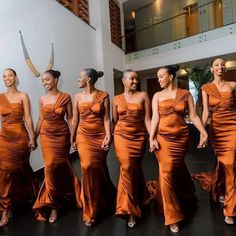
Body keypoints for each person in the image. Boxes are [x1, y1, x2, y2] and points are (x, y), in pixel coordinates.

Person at [149, 65, 208, 232]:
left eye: (161, 76)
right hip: (163, 139)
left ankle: (185, 193)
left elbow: (194, 116)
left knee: (176, 169)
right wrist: (151, 137)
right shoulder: (157, 96)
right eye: (158, 76)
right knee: (166, 172)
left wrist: (204, 132)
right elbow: (155, 118)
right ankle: (172, 215)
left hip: (181, 138)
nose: (159, 79)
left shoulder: (185, 94)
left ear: (171, 76)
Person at [33, 70, 81, 223]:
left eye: (47, 79)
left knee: (59, 166)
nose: (44, 83)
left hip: (62, 135)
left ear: (55, 79)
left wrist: (74, 137)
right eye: (43, 81)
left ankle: (64, 193)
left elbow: (71, 118)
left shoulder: (65, 97)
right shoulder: (41, 98)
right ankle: (54, 205)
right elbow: (40, 119)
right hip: (46, 136)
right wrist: (33, 137)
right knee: (49, 166)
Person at [70, 68, 116, 226]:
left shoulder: (103, 96)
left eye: (80, 77)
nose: (78, 79)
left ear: (88, 79)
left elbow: (107, 119)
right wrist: (72, 137)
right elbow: (75, 120)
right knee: (87, 166)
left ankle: (106, 197)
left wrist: (109, 136)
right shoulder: (77, 97)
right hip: (83, 136)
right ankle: (90, 210)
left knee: (99, 167)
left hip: (100, 136)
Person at [193, 58, 236, 224]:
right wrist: (203, 133)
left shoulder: (233, 85)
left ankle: (230, 209)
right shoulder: (206, 88)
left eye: (222, 64)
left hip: (232, 128)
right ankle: (220, 190)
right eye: (216, 65)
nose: (220, 66)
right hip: (217, 130)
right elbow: (205, 113)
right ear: (211, 69)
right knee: (223, 164)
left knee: (230, 164)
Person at [112, 69, 151, 228]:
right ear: (123, 80)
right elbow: (115, 121)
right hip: (121, 136)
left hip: (139, 137)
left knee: (133, 169)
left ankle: (141, 195)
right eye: (132, 79)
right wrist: (109, 137)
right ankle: (129, 210)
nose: (135, 82)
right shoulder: (116, 99)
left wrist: (153, 137)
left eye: (136, 79)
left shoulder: (143, 96)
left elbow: (147, 119)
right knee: (126, 167)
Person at [0, 68, 38, 226]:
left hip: (21, 137)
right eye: (4, 76)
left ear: (16, 77)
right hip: (5, 138)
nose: (7, 78)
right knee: (4, 171)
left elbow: (28, 118)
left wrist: (32, 138)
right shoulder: (0, 97)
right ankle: (5, 210)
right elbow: (2, 121)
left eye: (9, 75)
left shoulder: (23, 96)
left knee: (22, 168)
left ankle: (33, 194)